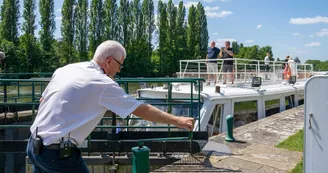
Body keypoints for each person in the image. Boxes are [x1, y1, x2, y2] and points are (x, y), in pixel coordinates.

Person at [26, 40, 195, 172]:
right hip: (57, 154)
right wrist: (177, 120)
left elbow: (43, 101)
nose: (119, 70)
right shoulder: (103, 83)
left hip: (34, 146)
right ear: (109, 61)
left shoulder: (65, 69)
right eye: (120, 65)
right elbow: (140, 109)